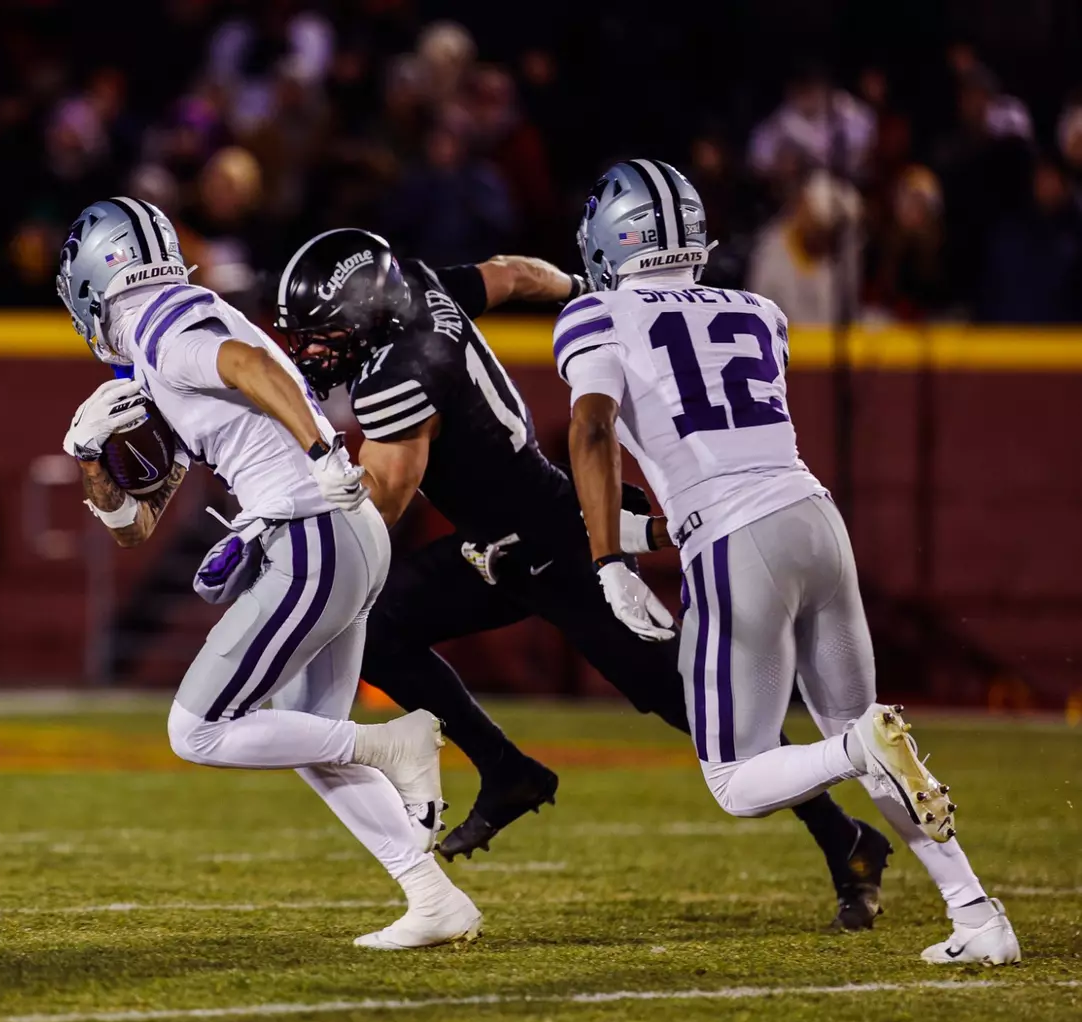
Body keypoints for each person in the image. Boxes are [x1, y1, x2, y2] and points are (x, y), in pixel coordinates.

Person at [274, 226, 893, 932]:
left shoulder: (401, 370)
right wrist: (584, 288)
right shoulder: (418, 285)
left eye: (323, 334)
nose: (313, 351)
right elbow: (513, 273)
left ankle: (846, 840)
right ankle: (506, 769)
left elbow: (382, 506)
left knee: (695, 707)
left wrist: (296, 538)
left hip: (546, 541)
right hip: (502, 535)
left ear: (367, 316)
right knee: (382, 628)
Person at [558, 158, 1020, 965]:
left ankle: (857, 754)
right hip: (814, 520)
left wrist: (607, 560)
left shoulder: (595, 314)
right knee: (869, 730)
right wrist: (645, 539)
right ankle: (978, 914)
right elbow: (729, 452)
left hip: (740, 543)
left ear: (610, 235)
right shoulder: (757, 309)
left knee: (739, 779)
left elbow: (594, 431)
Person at [56, 196, 478, 950]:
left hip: (311, 528)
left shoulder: (165, 322)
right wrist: (90, 461)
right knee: (309, 737)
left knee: (198, 729)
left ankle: (395, 743)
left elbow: (246, 365)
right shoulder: (161, 344)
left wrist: (320, 454)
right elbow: (135, 526)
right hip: (332, 534)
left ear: (93, 281)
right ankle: (433, 897)